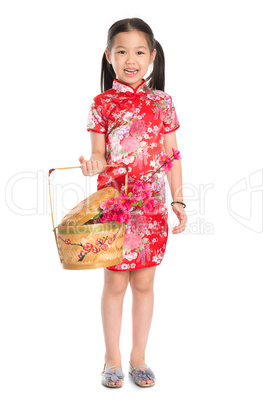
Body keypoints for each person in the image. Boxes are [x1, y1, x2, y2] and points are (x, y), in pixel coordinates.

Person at [79, 17, 187, 388]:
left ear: (152, 56)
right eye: (121, 51)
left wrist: (179, 201)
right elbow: (97, 150)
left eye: (139, 51)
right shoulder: (102, 104)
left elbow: (172, 156)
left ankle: (138, 356)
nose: (131, 58)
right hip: (114, 207)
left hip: (152, 209)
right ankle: (111, 356)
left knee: (144, 284)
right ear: (108, 56)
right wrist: (94, 161)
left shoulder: (163, 103)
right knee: (114, 284)